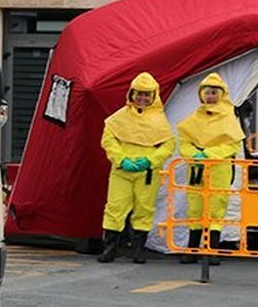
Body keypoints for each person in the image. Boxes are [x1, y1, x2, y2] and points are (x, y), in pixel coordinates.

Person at [97, 72, 175, 264]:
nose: (142, 98)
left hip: (147, 172)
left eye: (146, 94)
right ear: (131, 94)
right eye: (139, 94)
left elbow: (168, 145)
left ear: (153, 96)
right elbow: (108, 139)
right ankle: (110, 248)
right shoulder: (119, 117)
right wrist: (121, 159)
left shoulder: (159, 120)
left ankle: (138, 249)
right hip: (122, 170)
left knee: (144, 209)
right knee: (115, 207)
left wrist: (150, 161)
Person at [176, 73, 245, 260]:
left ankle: (212, 249)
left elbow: (233, 144)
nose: (210, 96)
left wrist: (208, 154)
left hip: (219, 167)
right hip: (197, 168)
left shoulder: (228, 118)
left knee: (217, 205)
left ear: (221, 94)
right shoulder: (194, 118)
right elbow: (184, 142)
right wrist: (194, 155)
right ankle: (193, 249)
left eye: (214, 92)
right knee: (195, 205)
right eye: (207, 92)